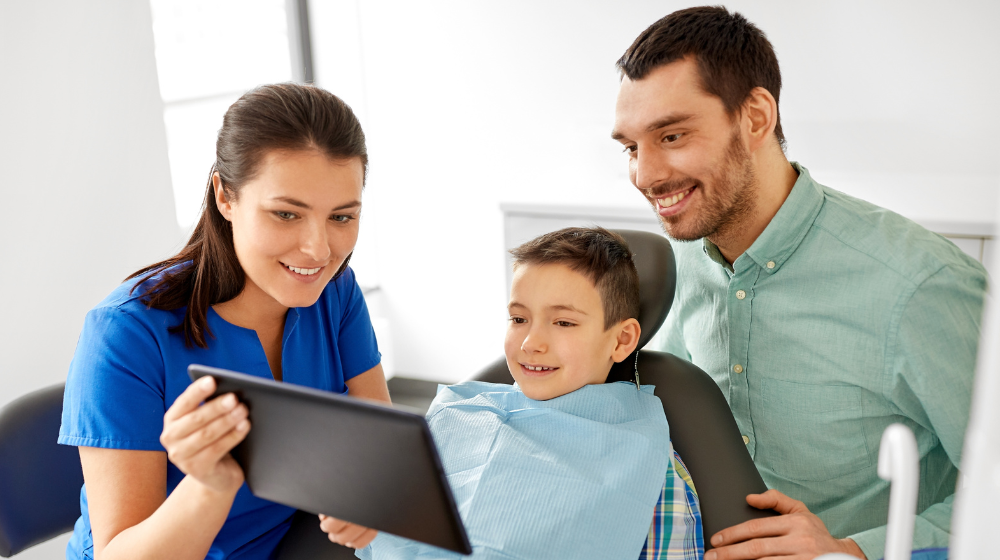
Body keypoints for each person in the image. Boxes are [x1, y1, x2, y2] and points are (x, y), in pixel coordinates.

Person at [610, 6, 986, 560]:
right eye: (631, 147)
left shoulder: (921, 285)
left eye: (672, 134)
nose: (645, 175)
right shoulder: (677, 265)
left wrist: (850, 549)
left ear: (756, 118)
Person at [58, 83, 391, 560]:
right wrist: (209, 487)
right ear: (225, 196)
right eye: (285, 214)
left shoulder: (335, 291)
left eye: (341, 217)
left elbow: (381, 446)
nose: (319, 250)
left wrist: (366, 493)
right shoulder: (126, 334)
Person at [321, 227, 703, 560]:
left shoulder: (646, 458)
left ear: (622, 340)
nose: (531, 342)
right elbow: (382, 524)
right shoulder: (460, 415)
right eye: (519, 318)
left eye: (564, 322)